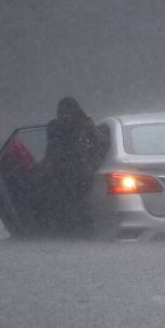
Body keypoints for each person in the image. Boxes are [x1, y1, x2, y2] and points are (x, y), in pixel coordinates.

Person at [35, 97, 110, 236]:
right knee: (79, 206)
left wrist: (42, 168)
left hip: (61, 174)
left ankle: (66, 232)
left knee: (64, 206)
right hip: (78, 173)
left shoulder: (54, 126)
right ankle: (82, 233)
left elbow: (50, 151)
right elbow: (103, 142)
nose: (66, 117)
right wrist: (94, 161)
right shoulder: (83, 124)